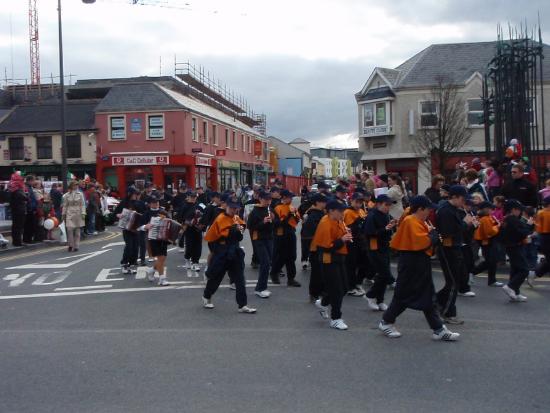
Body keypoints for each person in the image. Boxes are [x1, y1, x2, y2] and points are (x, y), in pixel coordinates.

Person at [378, 195, 460, 341]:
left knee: (427, 296)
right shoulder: (411, 221)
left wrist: (432, 235)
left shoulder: (419, 220)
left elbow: (425, 240)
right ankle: (386, 322)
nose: (430, 212)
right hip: (411, 263)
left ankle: (438, 329)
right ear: (420, 209)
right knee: (403, 296)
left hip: (418, 262)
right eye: (428, 209)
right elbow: (422, 242)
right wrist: (433, 235)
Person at [202, 200, 256, 314]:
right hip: (223, 250)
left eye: (235, 208)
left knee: (240, 279)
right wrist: (234, 229)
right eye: (231, 208)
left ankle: (242, 305)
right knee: (216, 277)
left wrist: (239, 229)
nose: (233, 210)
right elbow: (222, 235)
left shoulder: (236, 218)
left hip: (234, 250)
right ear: (226, 207)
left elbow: (240, 235)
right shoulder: (220, 218)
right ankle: (207, 296)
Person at [435, 185, 474, 325]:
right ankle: (447, 313)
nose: (464, 203)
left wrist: (468, 224)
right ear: (455, 197)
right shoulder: (446, 211)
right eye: (463, 199)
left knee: (453, 282)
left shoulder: (454, 210)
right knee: (453, 283)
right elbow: (448, 232)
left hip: (454, 248)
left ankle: (434, 302)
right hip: (448, 249)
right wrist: (464, 223)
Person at [311, 200, 353, 330]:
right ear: (331, 211)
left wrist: (345, 233)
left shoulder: (337, 220)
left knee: (345, 287)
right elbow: (326, 247)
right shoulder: (325, 223)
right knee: (337, 290)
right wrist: (342, 239)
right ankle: (336, 318)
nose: (342, 213)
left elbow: (338, 236)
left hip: (339, 257)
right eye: (340, 211)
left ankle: (323, 303)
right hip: (329, 259)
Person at [364, 194, 397, 311]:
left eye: (389, 205)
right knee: (384, 274)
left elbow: (388, 229)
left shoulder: (386, 215)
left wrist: (393, 226)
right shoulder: (372, 215)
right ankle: (370, 295)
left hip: (385, 247)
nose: (388, 207)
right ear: (378, 204)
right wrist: (385, 229)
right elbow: (369, 232)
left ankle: (380, 299)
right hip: (375, 248)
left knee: (382, 275)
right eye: (386, 205)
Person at [499, 199, 532, 302]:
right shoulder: (513, 220)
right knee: (524, 269)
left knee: (515, 269)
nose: (520, 212)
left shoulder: (506, 219)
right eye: (519, 210)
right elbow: (521, 233)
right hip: (515, 246)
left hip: (510, 246)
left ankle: (515, 293)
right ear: (513, 209)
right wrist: (529, 225)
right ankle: (511, 286)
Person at [270, 189, 301, 287]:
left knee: (292, 256)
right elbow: (277, 224)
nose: (291, 199)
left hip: (291, 233)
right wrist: (289, 215)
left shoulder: (292, 207)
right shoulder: (277, 208)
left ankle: (291, 279)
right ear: (284, 198)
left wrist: (294, 214)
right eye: (289, 197)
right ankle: (274, 273)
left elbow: (297, 220)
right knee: (281, 256)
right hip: (281, 235)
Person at [246, 191, 274, 298]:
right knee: (265, 263)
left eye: (269, 199)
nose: (268, 201)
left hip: (269, 238)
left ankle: (263, 287)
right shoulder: (255, 211)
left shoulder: (270, 209)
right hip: (259, 239)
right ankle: (259, 288)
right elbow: (250, 226)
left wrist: (273, 219)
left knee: (268, 262)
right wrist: (263, 222)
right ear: (260, 199)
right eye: (266, 199)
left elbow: (275, 224)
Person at [302, 193, 328, 301]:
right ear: (317, 203)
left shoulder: (321, 213)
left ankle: (321, 290)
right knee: (316, 271)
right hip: (315, 247)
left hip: (321, 246)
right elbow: (308, 233)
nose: (325, 204)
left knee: (322, 270)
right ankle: (314, 293)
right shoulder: (313, 215)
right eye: (323, 202)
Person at [472, 201, 503, 287]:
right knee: (490, 261)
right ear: (485, 209)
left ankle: (492, 280)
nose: (492, 210)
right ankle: (472, 272)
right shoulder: (484, 219)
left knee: (492, 261)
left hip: (488, 241)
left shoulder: (488, 217)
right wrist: (497, 227)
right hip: (487, 241)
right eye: (490, 209)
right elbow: (489, 232)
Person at [343, 192, 367, 297]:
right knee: (351, 264)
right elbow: (348, 228)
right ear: (351, 201)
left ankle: (357, 282)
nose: (358, 204)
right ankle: (350, 287)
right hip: (352, 241)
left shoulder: (361, 211)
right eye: (356, 202)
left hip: (361, 240)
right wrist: (357, 222)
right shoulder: (348, 212)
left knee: (363, 263)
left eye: (360, 202)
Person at [144, 207, 172, 286]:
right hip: (154, 239)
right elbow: (143, 226)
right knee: (160, 258)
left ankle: (151, 270)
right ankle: (162, 279)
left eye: (163, 216)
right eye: (160, 215)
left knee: (162, 259)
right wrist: (147, 226)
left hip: (163, 241)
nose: (161, 217)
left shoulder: (167, 220)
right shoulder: (152, 218)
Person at [179, 191, 204, 271]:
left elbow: (206, 211)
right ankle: (187, 258)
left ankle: (195, 262)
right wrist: (188, 222)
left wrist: (201, 218)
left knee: (198, 246)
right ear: (188, 197)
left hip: (198, 228)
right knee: (189, 245)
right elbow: (180, 218)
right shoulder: (184, 206)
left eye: (195, 197)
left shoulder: (200, 204)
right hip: (188, 228)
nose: (193, 198)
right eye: (192, 197)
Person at [62, 180, 86, 252]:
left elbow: (82, 204)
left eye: (77, 185)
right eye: (75, 185)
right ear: (71, 186)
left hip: (78, 213)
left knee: (77, 231)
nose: (76, 186)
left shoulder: (80, 194)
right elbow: (65, 205)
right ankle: (70, 245)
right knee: (69, 229)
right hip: (69, 213)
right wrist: (63, 214)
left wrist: (83, 213)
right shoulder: (66, 195)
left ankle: (76, 246)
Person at [8, 172, 27, 247]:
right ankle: (18, 242)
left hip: (14, 209)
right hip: (20, 210)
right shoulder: (18, 189)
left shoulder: (11, 187)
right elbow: (25, 198)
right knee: (19, 226)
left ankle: (15, 241)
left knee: (15, 226)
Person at [535, 196, 550, 279]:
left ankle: (537, 272)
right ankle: (537, 272)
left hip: (542, 237)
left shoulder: (540, 212)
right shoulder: (547, 213)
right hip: (547, 237)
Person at [23, 175, 38, 244]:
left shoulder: (29, 187)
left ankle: (28, 239)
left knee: (30, 225)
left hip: (31, 208)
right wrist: (32, 208)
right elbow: (29, 199)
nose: (34, 182)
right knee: (29, 225)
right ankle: (27, 239)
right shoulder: (27, 188)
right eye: (33, 180)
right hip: (29, 209)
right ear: (30, 181)